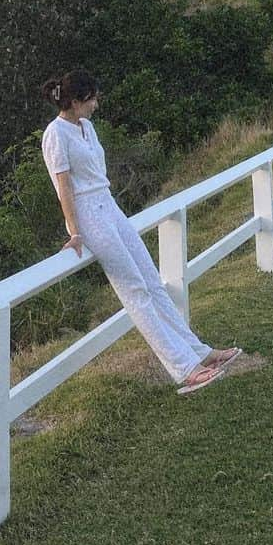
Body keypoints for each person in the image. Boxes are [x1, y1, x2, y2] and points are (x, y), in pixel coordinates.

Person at [41, 70, 241, 396]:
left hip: (109, 206)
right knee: (136, 292)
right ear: (75, 101)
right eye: (91, 98)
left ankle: (199, 352)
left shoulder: (86, 127)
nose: (96, 103)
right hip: (90, 217)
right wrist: (75, 232)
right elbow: (64, 187)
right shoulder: (55, 135)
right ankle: (184, 369)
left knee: (152, 282)